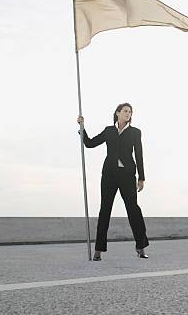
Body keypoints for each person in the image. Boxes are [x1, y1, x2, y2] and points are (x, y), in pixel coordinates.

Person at [77, 102, 150, 260]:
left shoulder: (135, 132)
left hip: (127, 176)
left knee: (133, 210)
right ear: (117, 113)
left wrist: (142, 177)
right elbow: (90, 143)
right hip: (109, 175)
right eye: (125, 111)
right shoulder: (109, 131)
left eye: (130, 112)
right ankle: (98, 250)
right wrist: (82, 128)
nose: (128, 114)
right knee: (105, 210)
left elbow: (139, 155)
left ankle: (141, 246)